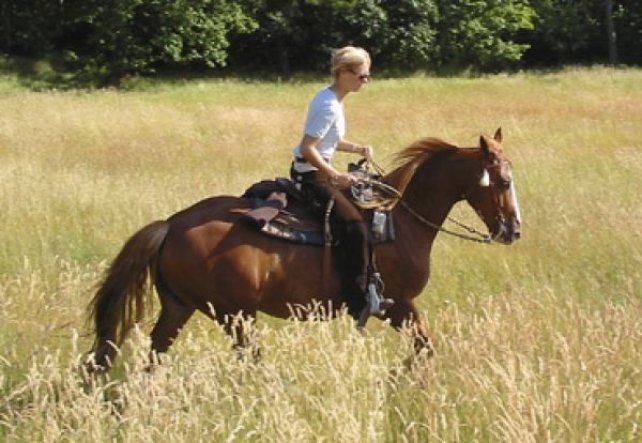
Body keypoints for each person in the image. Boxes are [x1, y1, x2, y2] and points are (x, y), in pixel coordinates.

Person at [289, 45, 382, 318]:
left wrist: (357, 149)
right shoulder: (328, 105)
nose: (365, 81)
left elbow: (328, 141)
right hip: (310, 176)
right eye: (361, 76)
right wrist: (334, 175)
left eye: (367, 76)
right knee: (354, 227)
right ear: (342, 73)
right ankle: (356, 300)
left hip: (318, 170)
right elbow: (308, 147)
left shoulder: (333, 99)